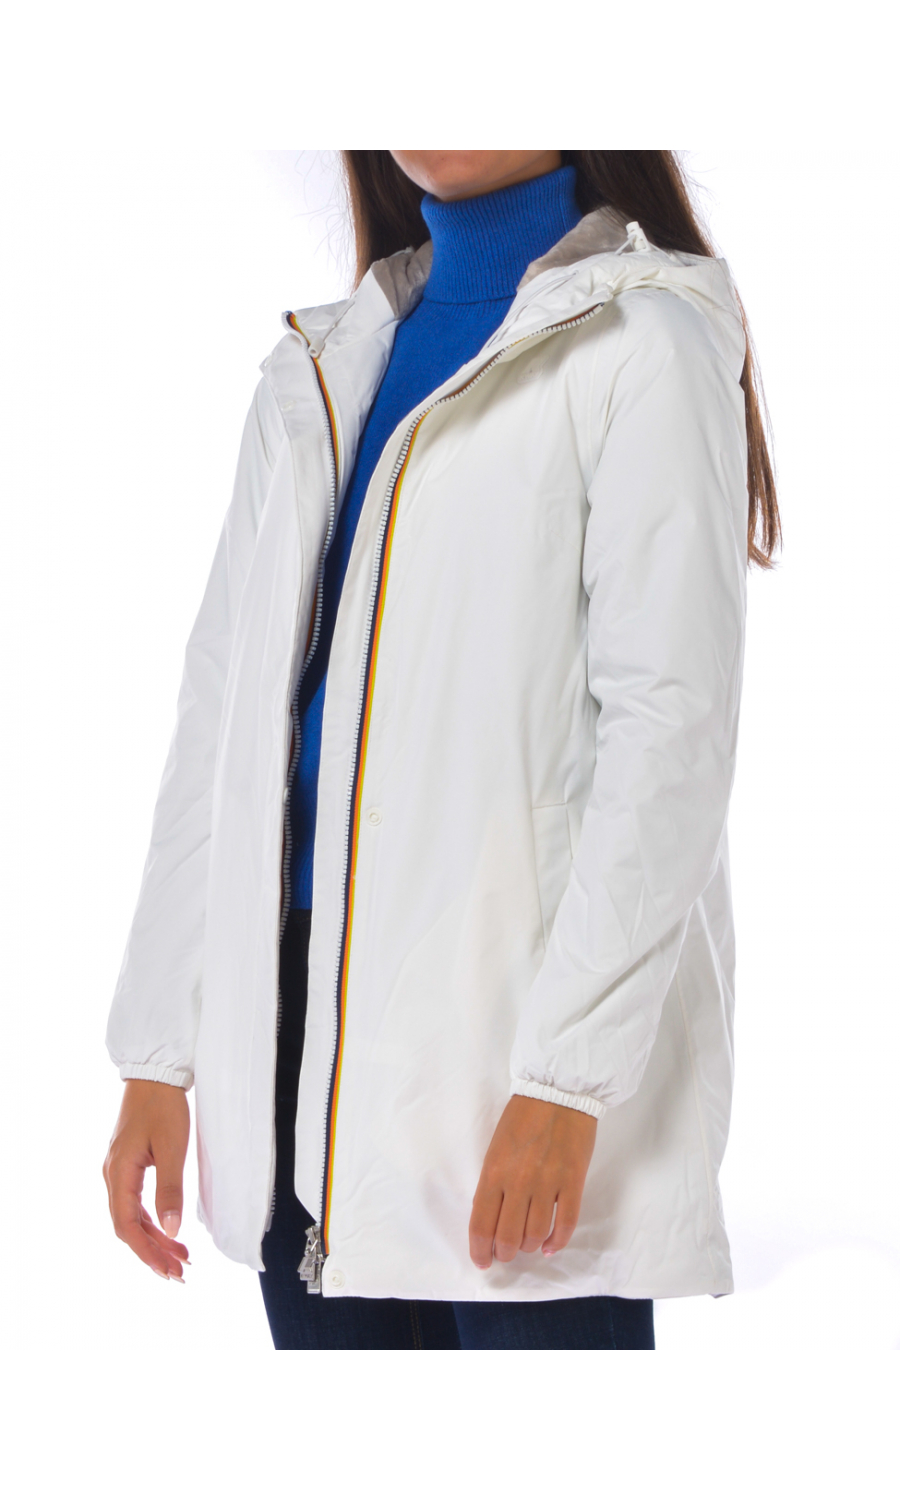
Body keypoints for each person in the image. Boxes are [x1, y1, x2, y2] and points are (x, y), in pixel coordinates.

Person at [103, 150, 780, 1350]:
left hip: (504, 1046)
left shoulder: (644, 341)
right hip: (291, 1033)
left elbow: (668, 738)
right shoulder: (317, 369)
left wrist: (568, 1078)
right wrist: (159, 1049)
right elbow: (219, 715)